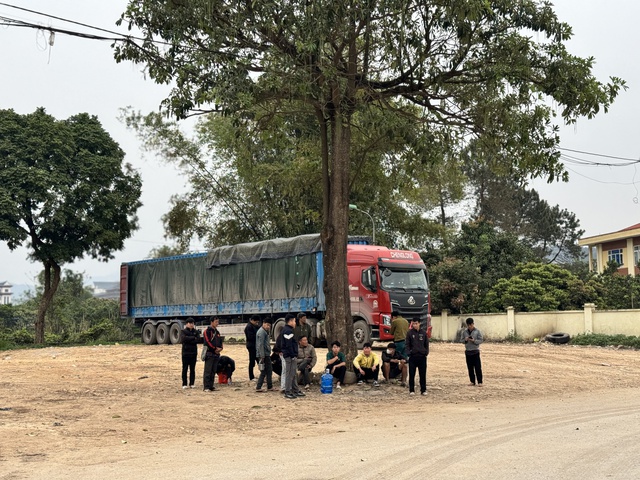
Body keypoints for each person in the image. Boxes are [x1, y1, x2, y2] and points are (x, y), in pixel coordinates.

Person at [282, 313, 305, 399]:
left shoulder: (288, 330)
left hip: (291, 356)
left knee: (293, 374)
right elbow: (288, 345)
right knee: (289, 374)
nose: (295, 323)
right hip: (289, 356)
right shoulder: (288, 331)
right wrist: (292, 356)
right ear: (290, 321)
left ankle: (295, 390)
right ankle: (287, 391)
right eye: (294, 321)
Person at [405, 317, 429, 396]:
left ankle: (423, 390)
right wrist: (409, 353)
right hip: (413, 356)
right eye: (413, 324)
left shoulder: (424, 333)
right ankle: (412, 390)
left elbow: (426, 344)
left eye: (416, 323)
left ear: (419, 323)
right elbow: (407, 344)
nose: (414, 325)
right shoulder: (409, 333)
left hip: (422, 356)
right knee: (412, 374)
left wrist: (425, 352)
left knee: (422, 374)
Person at [179, 318, 202, 389]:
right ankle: (184, 383)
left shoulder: (196, 332)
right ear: (186, 324)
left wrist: (189, 339)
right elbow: (183, 339)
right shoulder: (183, 331)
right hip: (185, 353)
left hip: (193, 353)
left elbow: (198, 340)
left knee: (192, 369)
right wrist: (193, 338)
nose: (191, 324)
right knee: (185, 368)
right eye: (190, 323)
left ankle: (192, 383)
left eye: (192, 323)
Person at [203, 316, 223, 392]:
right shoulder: (207, 331)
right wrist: (214, 349)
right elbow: (207, 342)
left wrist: (220, 348)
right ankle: (206, 387)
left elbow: (220, 342)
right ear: (211, 322)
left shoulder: (217, 332)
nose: (217, 323)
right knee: (208, 371)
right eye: (216, 322)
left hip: (216, 354)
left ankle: (211, 386)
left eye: (218, 322)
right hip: (209, 353)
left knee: (213, 370)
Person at [463, 317, 484, 386]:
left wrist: (474, 341)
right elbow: (461, 340)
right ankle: (472, 381)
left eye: (471, 325)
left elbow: (481, 340)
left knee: (477, 367)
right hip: (468, 352)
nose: (469, 326)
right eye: (468, 325)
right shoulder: (465, 332)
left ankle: (480, 382)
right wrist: (465, 340)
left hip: (475, 352)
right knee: (470, 368)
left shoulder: (477, 331)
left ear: (473, 324)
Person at [255, 317, 274, 392]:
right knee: (265, 371)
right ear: (263, 323)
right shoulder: (262, 332)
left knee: (268, 370)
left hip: (265, 354)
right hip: (264, 355)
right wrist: (262, 356)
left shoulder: (264, 331)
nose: (268, 327)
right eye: (267, 325)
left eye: (269, 325)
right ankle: (259, 387)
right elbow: (260, 345)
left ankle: (269, 386)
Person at [244, 315, 261, 382]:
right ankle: (251, 376)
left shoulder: (254, 326)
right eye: (256, 322)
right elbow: (250, 337)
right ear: (252, 320)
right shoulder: (249, 327)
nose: (257, 323)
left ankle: (262, 375)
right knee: (252, 361)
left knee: (258, 361)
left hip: (255, 346)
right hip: (251, 346)